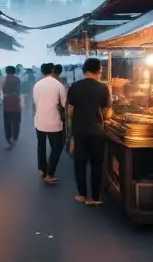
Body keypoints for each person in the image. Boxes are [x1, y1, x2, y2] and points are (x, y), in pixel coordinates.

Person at [66, 57, 111, 205]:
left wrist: (78, 117)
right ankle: (96, 198)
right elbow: (106, 113)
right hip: (97, 131)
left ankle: (82, 195)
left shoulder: (75, 86)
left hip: (80, 131)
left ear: (84, 70)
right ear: (98, 70)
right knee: (97, 164)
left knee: (80, 163)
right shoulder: (103, 88)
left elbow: (70, 110)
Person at [33, 62, 67, 184]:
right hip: (54, 122)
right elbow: (64, 104)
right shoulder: (58, 85)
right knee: (57, 148)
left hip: (39, 121)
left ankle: (42, 169)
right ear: (52, 70)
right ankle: (50, 174)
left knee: (41, 146)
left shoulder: (37, 85)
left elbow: (36, 102)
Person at [2, 65, 22, 147]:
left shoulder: (5, 79)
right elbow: (19, 90)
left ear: (7, 71)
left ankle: (8, 137)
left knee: (7, 121)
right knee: (16, 121)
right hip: (16, 101)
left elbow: (3, 89)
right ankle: (15, 136)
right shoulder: (18, 79)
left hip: (7, 102)